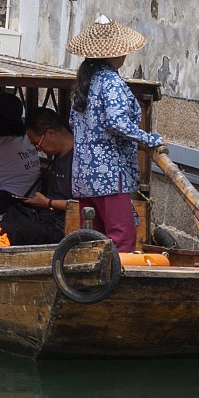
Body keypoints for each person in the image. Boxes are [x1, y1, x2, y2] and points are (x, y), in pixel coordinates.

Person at [65, 16, 161, 253]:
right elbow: (117, 122)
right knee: (121, 240)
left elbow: (73, 122)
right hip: (109, 177)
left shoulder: (84, 83)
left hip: (84, 178)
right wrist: (150, 139)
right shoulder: (111, 81)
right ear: (115, 53)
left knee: (91, 242)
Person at [0, 107, 73, 245]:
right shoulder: (58, 156)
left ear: (50, 133)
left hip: (62, 227)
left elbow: (85, 205)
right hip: (45, 217)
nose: (38, 149)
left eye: (37, 144)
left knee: (6, 231)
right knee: (0, 220)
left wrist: (48, 203)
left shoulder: (81, 161)